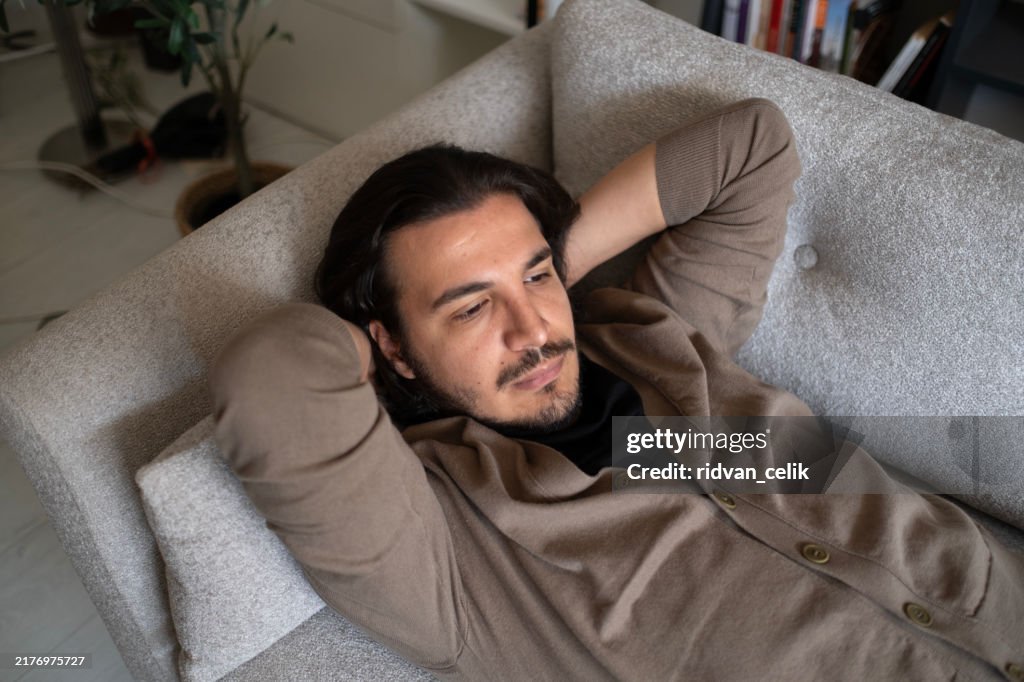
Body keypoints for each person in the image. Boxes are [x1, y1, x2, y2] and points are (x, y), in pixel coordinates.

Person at [210, 99, 1024, 680]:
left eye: (537, 277)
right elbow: (267, 375)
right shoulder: (443, 546)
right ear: (395, 345)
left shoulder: (650, 329)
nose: (532, 332)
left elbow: (753, 142)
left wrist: (547, 263)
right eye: (470, 308)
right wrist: (387, 343)